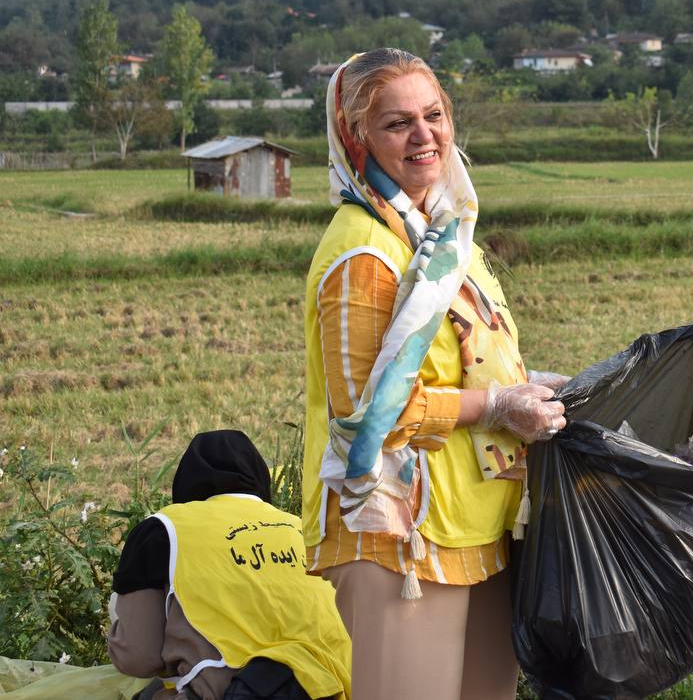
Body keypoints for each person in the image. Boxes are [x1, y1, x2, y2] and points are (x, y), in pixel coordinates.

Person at [302, 47, 568, 700]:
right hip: (396, 541)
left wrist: (531, 385)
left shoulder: (446, 238)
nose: (425, 136)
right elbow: (366, 419)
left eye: (434, 115)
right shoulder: (365, 253)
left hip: (477, 527)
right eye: (397, 124)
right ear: (356, 139)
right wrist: (496, 405)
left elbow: (474, 357)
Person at [107, 429, 352, 700]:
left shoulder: (165, 529)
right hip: (339, 687)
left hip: (232, 691)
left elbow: (139, 656)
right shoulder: (302, 528)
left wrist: (124, 623)